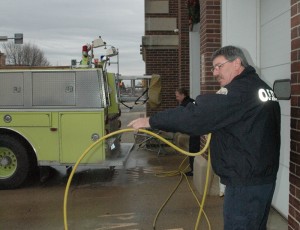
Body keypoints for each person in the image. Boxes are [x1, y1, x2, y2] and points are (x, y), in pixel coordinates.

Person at [128, 45, 281, 230]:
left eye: (219, 66)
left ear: (237, 63)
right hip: (262, 178)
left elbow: (196, 116)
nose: (215, 73)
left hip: (245, 183)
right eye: (213, 68)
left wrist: (151, 120)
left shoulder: (239, 92)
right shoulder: (261, 88)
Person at [175, 88, 200, 176]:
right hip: (197, 130)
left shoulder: (185, 105)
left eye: (177, 96)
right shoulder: (192, 101)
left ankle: (193, 171)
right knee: (194, 149)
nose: (176, 98)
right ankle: (193, 169)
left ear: (183, 95)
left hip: (195, 131)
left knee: (193, 150)